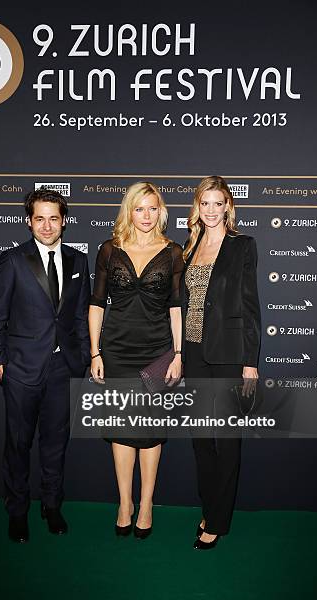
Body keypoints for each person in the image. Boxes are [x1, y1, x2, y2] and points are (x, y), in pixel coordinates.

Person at [0, 188, 90, 543]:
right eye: (40, 218)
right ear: (29, 221)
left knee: (55, 443)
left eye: (54, 218)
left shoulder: (79, 261)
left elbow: (78, 318)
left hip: (64, 370)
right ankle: (17, 511)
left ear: (64, 222)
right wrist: (1, 364)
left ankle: (52, 504)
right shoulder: (12, 260)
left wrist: (85, 360)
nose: (47, 226)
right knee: (18, 444)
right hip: (22, 371)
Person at [89, 181, 184, 539]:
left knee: (150, 430)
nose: (146, 215)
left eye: (153, 208)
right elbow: (96, 303)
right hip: (116, 350)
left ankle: (146, 505)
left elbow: (176, 307)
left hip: (158, 351)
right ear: (129, 211)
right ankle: (124, 503)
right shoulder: (109, 250)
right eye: (139, 208)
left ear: (161, 211)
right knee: (121, 431)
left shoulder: (173, 251)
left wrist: (177, 354)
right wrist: (95, 351)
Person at [181, 175, 261, 550]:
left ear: (228, 206)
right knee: (200, 440)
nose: (211, 210)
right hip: (195, 354)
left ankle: (218, 520)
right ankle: (209, 504)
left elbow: (250, 307)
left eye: (218, 203)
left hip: (229, 357)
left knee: (226, 441)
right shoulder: (191, 244)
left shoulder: (243, 246)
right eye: (205, 203)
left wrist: (250, 361)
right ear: (197, 207)